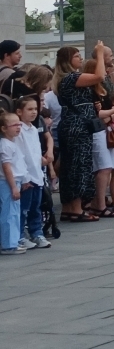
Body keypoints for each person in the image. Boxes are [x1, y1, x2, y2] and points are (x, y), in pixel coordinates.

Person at [56, 42, 110, 222]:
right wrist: (100, 54)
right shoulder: (71, 78)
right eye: (77, 56)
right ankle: (77, 209)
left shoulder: (66, 79)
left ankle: (69, 207)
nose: (80, 58)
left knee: (71, 166)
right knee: (79, 166)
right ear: (68, 60)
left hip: (74, 124)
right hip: (77, 126)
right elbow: (100, 76)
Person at [83, 59, 114, 218]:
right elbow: (96, 114)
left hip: (105, 128)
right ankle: (99, 203)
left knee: (108, 167)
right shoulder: (90, 91)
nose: (105, 72)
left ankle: (100, 201)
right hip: (97, 130)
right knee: (103, 167)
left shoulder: (102, 88)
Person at [14, 97, 49, 249]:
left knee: (36, 207)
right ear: (19, 112)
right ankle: (20, 235)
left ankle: (37, 233)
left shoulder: (34, 129)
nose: (34, 112)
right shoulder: (19, 131)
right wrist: (24, 177)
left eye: (35, 109)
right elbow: (20, 154)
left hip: (37, 175)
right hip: (26, 177)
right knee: (24, 208)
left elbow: (34, 151)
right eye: (30, 109)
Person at [0, 112, 25, 253]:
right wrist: (13, 186)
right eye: (14, 125)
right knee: (9, 213)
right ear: (4, 128)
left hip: (16, 181)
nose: (18, 127)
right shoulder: (5, 145)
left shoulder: (12, 143)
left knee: (14, 212)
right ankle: (8, 244)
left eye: (19, 124)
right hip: (9, 182)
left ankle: (13, 241)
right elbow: (6, 167)